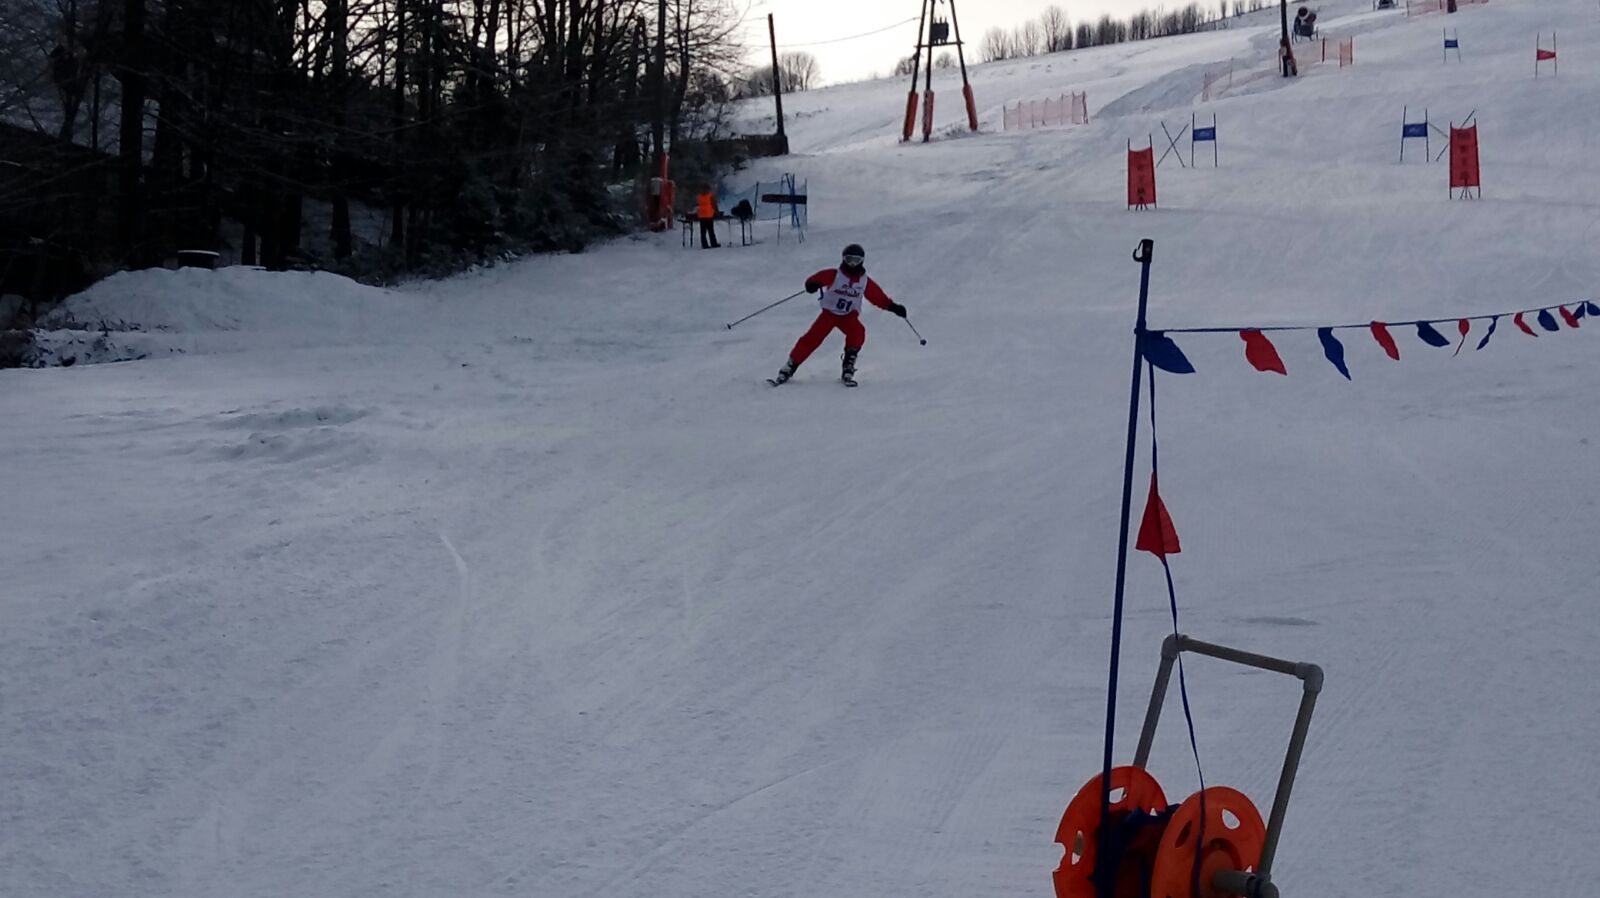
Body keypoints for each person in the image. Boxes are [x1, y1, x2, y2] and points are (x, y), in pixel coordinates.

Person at [769, 244, 907, 387]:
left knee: (858, 332)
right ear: (843, 259)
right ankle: (791, 365)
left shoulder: (864, 282)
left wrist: (893, 307)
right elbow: (816, 278)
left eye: (856, 260)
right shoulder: (835, 275)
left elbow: (877, 297)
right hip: (829, 314)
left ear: (862, 261)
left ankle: (848, 364)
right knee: (812, 338)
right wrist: (811, 284)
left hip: (848, 316)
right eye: (849, 259)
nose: (852, 264)